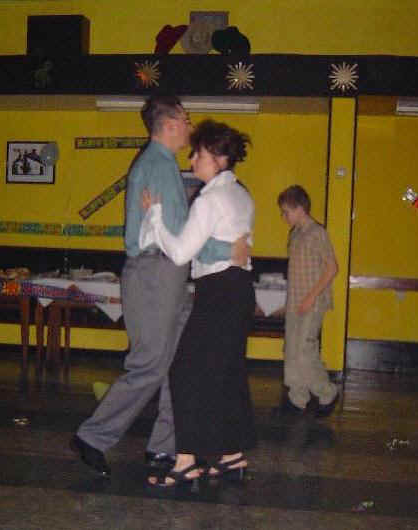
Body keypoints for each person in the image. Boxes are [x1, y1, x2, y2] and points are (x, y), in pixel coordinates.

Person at [70, 95, 247, 477]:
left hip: (165, 273)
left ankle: (165, 446)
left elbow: (178, 231)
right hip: (155, 272)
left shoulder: (161, 165)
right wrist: (228, 249)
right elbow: (182, 235)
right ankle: (93, 437)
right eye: (185, 119)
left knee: (177, 363)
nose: (190, 126)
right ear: (169, 124)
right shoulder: (159, 166)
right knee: (150, 364)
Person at [139, 119, 257, 487]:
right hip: (240, 289)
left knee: (184, 372)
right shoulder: (242, 194)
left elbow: (179, 253)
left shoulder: (209, 199)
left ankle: (186, 460)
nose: (192, 160)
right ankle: (232, 455)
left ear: (219, 158)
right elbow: (230, 246)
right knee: (227, 373)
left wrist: (155, 218)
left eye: (199, 155)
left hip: (217, 292)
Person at [277, 185, 339, 417]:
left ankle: (327, 393)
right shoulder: (295, 234)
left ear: (300, 209)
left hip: (312, 302)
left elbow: (332, 268)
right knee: (291, 349)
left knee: (304, 350)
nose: (284, 217)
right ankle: (298, 398)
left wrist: (310, 297)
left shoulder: (317, 233)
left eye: (286, 212)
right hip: (295, 302)